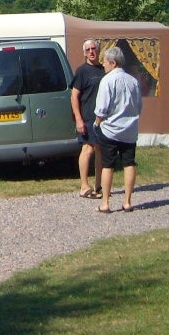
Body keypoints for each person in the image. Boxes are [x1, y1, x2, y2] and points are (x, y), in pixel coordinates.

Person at [93, 46, 143, 214]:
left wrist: (97, 123)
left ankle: (105, 203)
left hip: (110, 130)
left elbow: (101, 108)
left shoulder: (107, 80)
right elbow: (138, 107)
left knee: (108, 165)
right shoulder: (133, 81)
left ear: (113, 63)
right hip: (129, 130)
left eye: (105, 62)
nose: (103, 65)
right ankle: (127, 202)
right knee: (129, 163)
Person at [70, 39, 104, 198]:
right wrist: (78, 119)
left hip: (103, 118)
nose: (91, 52)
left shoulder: (104, 69)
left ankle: (99, 186)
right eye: (88, 49)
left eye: (94, 49)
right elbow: (74, 96)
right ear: (84, 53)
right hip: (87, 117)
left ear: (98, 50)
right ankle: (84, 185)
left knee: (101, 150)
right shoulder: (82, 71)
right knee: (87, 149)